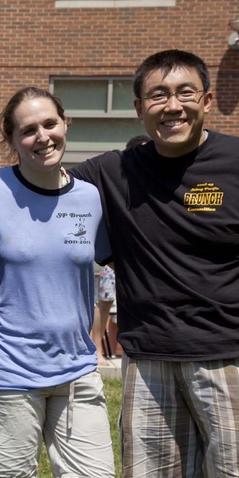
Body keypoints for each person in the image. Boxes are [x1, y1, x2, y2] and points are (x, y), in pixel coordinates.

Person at [73, 49, 239, 478]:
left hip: (233, 357)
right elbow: (40, 183)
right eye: (159, 95)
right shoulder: (113, 171)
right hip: (151, 362)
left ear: (208, 100)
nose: (173, 106)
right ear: (140, 107)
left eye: (186, 93)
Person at [0, 86, 117, 478]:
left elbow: (89, 273)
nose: (42, 136)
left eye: (49, 124)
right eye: (27, 129)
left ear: (65, 124)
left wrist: (94, 342)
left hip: (75, 371)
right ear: (12, 139)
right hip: (8, 370)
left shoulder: (90, 198)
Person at [89, 134, 150, 366]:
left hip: (142, 267)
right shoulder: (120, 186)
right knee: (103, 304)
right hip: (114, 263)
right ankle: (97, 350)